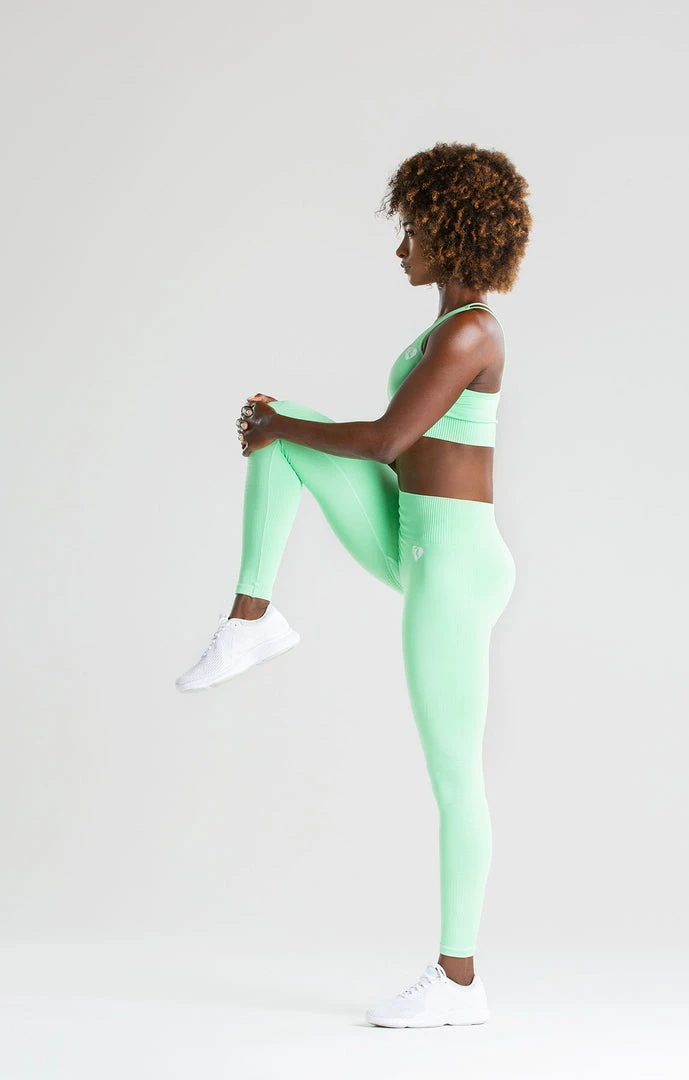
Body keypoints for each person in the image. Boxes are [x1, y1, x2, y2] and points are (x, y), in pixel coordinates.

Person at [175, 141, 532, 1028]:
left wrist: (281, 425)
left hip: (454, 565)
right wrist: (281, 426)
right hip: (413, 535)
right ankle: (251, 617)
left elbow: (385, 441)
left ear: (451, 229)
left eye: (413, 229)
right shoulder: (441, 328)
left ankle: (459, 981)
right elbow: (385, 450)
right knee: (284, 428)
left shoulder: (473, 331)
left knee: (454, 775)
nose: (401, 246)